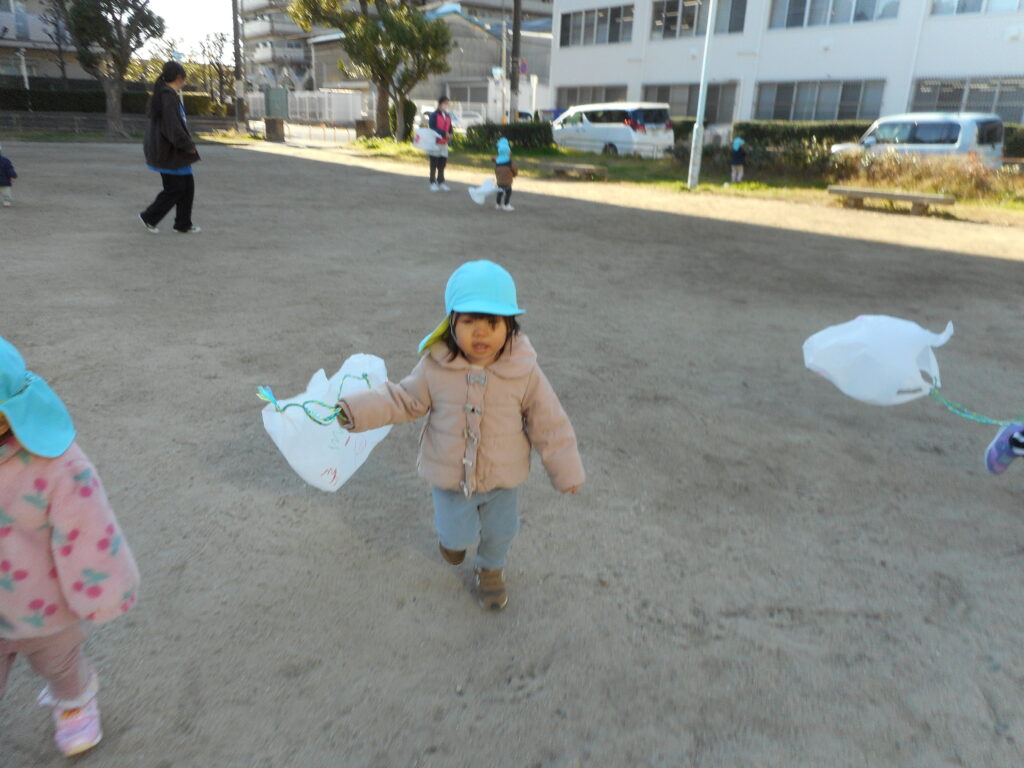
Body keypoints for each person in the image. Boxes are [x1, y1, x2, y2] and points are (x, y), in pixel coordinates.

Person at [335, 261, 584, 610]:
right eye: (469, 322)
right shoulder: (435, 366)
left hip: (503, 477)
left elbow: (550, 421)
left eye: (492, 323)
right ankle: (451, 541)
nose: (480, 333)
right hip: (451, 477)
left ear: (510, 327)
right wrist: (356, 410)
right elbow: (403, 399)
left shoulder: (524, 370)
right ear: (451, 322)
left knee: (501, 532)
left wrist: (567, 469)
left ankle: (491, 572)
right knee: (457, 535)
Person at [0, 336, 139, 757]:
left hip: (46, 607)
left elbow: (88, 528)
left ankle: (73, 703)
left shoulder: (58, 463)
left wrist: (103, 590)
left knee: (59, 664)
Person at [140, 60, 201, 234]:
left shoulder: (164, 94)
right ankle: (149, 217)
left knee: (187, 187)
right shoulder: (167, 97)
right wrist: (188, 146)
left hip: (171, 152)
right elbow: (172, 127)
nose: (184, 82)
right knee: (175, 189)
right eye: (184, 79)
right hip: (170, 152)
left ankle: (183, 224)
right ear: (179, 77)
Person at [427, 97, 454, 192]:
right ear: (440, 104)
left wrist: (451, 134)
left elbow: (450, 128)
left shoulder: (447, 115)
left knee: (442, 164)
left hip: (444, 144)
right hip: (435, 143)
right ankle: (432, 182)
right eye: (445, 103)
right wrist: (443, 133)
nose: (446, 105)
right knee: (433, 163)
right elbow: (432, 128)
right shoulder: (434, 115)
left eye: (447, 103)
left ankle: (441, 182)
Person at [494, 136, 518, 212]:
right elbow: (515, 170)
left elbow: (496, 171)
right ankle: (506, 204)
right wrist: (514, 175)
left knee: (500, 192)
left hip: (499, 181)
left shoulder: (497, 162)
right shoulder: (509, 162)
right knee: (508, 192)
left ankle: (498, 204)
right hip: (507, 181)